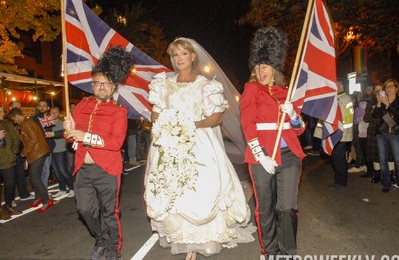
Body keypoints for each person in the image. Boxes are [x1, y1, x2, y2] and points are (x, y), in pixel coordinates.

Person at [144, 37, 254, 260]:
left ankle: (199, 240)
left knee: (200, 188)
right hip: (169, 142)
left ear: (193, 56)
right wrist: (165, 124)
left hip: (199, 142)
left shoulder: (206, 85)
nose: (178, 59)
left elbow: (216, 117)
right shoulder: (163, 84)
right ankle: (182, 236)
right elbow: (156, 113)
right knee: (172, 188)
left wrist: (191, 125)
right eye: (175, 55)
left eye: (183, 54)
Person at [240, 27, 306, 258]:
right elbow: (247, 124)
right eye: (258, 66)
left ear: (274, 68)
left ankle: (288, 253)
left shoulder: (287, 92)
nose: (261, 71)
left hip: (289, 157)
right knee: (265, 209)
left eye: (265, 66)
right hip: (262, 156)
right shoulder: (251, 89)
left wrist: (293, 115)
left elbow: (299, 130)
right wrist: (260, 154)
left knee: (286, 207)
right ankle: (269, 251)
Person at [64, 46, 134, 260]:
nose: (101, 87)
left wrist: (84, 136)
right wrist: (69, 130)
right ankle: (101, 238)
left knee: (109, 213)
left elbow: (115, 143)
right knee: (84, 210)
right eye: (97, 83)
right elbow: (71, 137)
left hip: (108, 169)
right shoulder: (82, 105)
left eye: (105, 83)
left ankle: (112, 249)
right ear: (92, 84)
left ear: (113, 87)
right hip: (82, 169)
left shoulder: (119, 112)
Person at [8, 108, 53, 212]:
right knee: (34, 178)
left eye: (13, 119)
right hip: (37, 152)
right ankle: (39, 198)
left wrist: (24, 153)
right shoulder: (27, 121)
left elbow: (33, 139)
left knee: (35, 178)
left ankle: (46, 200)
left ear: (16, 116)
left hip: (38, 153)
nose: (14, 121)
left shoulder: (26, 123)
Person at [372, 79, 399, 192]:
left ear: (396, 88)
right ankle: (386, 184)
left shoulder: (398, 101)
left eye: (391, 86)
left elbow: (398, 115)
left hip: (395, 133)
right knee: (382, 160)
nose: (388, 89)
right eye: (386, 87)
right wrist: (379, 104)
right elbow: (374, 116)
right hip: (381, 133)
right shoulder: (382, 101)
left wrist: (387, 104)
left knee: (398, 160)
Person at [7, 100, 34, 202]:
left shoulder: (20, 121)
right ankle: (10, 198)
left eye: (19, 107)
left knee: (21, 173)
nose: (18, 109)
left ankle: (23, 194)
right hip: (11, 151)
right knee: (10, 176)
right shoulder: (7, 121)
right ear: (10, 108)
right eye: (16, 107)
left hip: (21, 149)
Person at [46, 106, 74, 198]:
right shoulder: (48, 124)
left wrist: (53, 134)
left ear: (59, 113)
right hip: (51, 150)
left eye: (56, 112)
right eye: (52, 112)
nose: (53, 114)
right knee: (57, 172)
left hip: (60, 149)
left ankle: (72, 188)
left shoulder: (62, 123)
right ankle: (62, 189)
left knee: (63, 170)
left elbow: (65, 132)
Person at [0, 106, 22, 218]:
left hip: (8, 160)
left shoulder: (7, 124)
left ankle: (8, 205)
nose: (1, 114)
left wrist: (13, 151)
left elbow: (16, 138)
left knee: (10, 185)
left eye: (2, 111)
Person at [32, 99, 56, 189]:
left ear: (48, 107)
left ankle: (43, 193)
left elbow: (52, 132)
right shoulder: (34, 119)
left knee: (46, 171)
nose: (42, 108)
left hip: (49, 147)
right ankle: (43, 195)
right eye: (40, 106)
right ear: (38, 107)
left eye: (44, 106)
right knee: (43, 172)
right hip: (40, 149)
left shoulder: (49, 118)